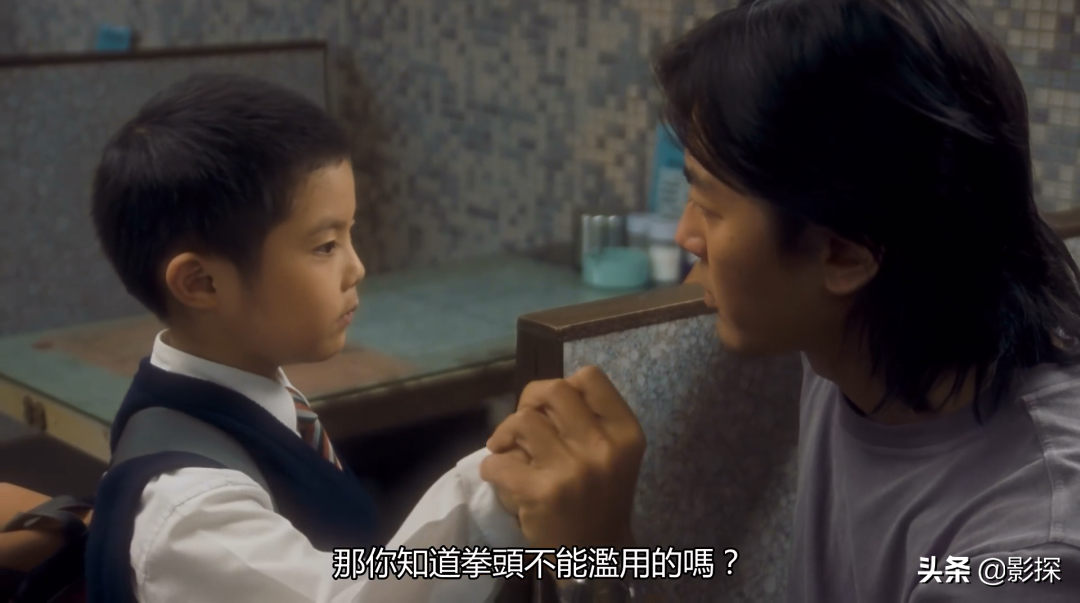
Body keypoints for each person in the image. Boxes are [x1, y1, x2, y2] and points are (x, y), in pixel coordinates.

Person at [480, 0, 1080, 601]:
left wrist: (598, 561)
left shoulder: (1025, 552)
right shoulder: (875, 326)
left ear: (843, 255)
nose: (686, 234)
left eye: (709, 206)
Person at [84, 74, 522, 603]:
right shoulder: (193, 515)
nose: (356, 268)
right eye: (325, 246)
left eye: (349, 233)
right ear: (201, 283)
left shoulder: (252, 388)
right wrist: (502, 480)